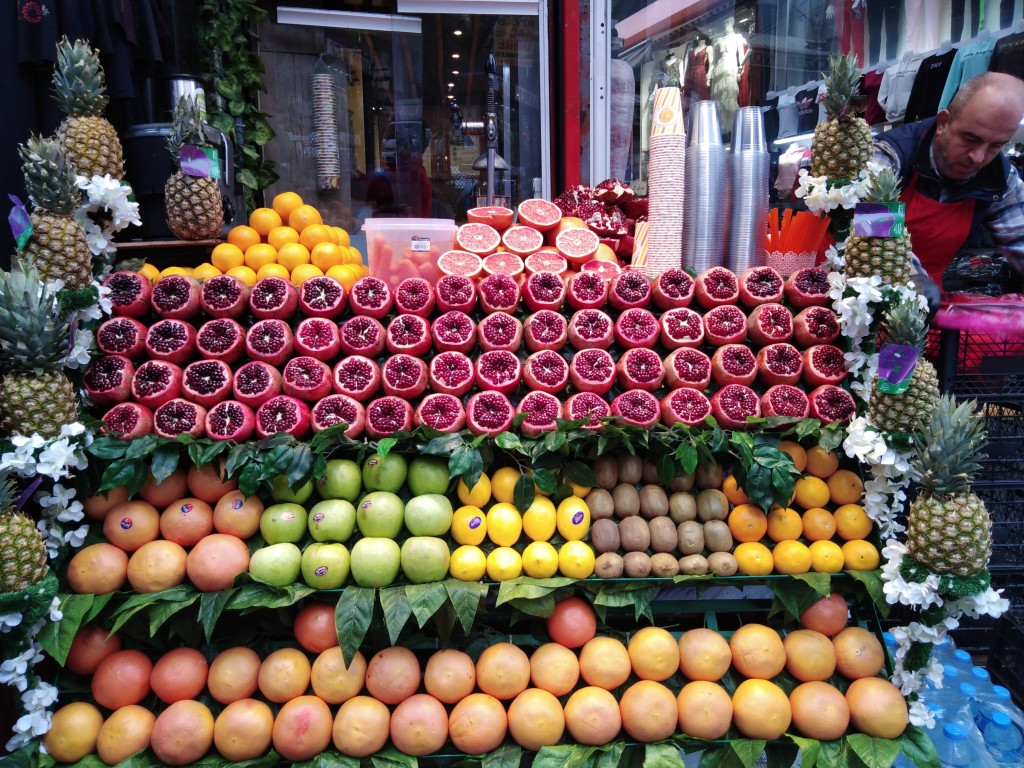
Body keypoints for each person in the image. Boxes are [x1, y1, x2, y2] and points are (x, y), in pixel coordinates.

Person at [872, 71, 1024, 302]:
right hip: (854, 297)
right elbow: (874, 229)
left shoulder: (1001, 177)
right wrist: (914, 280)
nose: (978, 157)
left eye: (995, 146)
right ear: (943, 122)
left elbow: (1019, 239)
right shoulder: (887, 154)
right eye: (970, 139)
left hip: (927, 303)